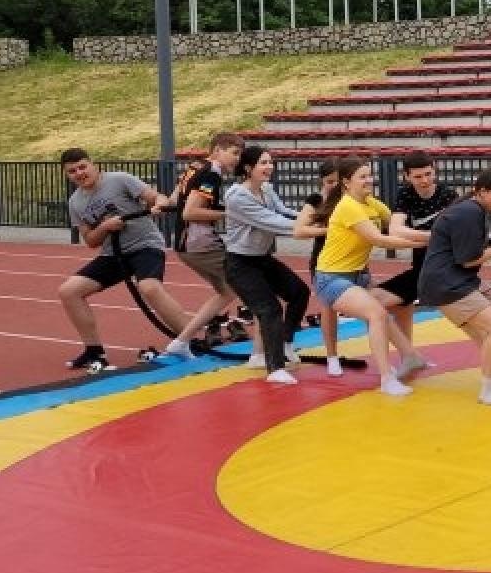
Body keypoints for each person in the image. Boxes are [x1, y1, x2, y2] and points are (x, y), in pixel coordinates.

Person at [310, 156, 431, 397]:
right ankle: (387, 378)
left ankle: (411, 356)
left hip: (359, 275)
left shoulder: (372, 204)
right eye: (362, 177)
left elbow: (396, 224)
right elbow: (379, 239)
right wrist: (431, 237)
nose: (369, 180)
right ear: (346, 182)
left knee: (384, 313)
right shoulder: (348, 206)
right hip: (331, 277)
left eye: (369, 175)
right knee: (376, 313)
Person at [57, 147, 188, 371]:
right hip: (113, 254)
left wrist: (159, 203)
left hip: (144, 246)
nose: (79, 173)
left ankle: (190, 338)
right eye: (72, 171)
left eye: (82, 167)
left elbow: (156, 196)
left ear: (93, 165)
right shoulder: (75, 202)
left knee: (149, 288)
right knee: (68, 291)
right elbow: (90, 240)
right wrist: (106, 227)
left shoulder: (119, 180)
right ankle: (94, 351)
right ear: (66, 175)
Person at [418, 168, 491, 407]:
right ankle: (488, 388)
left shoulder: (474, 208)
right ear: (481, 191)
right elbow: (468, 259)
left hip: (461, 278)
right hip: (446, 283)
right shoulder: (469, 212)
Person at [222, 147, 317, 386]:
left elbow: (283, 212)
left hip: (262, 259)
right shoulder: (237, 197)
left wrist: (314, 218)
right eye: (263, 163)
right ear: (248, 168)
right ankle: (274, 367)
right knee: (270, 309)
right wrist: (312, 229)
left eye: (271, 162)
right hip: (240, 264)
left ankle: (285, 344)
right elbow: (272, 221)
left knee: (299, 292)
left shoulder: (266, 189)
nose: (269, 167)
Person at [163, 131, 260, 361]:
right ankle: (265, 348)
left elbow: (175, 200)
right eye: (234, 153)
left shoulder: (195, 167)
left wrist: (162, 204)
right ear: (217, 150)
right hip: (201, 244)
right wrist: (231, 212)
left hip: (187, 245)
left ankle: (181, 341)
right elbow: (190, 212)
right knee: (252, 282)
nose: (237, 159)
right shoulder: (211, 174)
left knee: (228, 291)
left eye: (240, 154)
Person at [376, 151, 459, 352]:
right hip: (420, 268)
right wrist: (432, 236)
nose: (425, 180)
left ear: (435, 171)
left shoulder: (448, 195)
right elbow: (395, 229)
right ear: (407, 176)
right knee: (398, 305)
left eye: (429, 174)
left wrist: (414, 235)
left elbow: (454, 235)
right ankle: (409, 355)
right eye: (418, 176)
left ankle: (409, 354)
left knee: (373, 303)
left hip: (439, 270)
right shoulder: (406, 194)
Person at [295, 159, 346, 375]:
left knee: (372, 306)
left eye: (338, 181)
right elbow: (299, 230)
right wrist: (330, 229)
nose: (333, 185)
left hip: (351, 260)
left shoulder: (351, 198)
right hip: (324, 261)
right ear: (321, 181)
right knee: (328, 308)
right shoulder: (316, 200)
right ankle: (332, 356)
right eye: (329, 181)